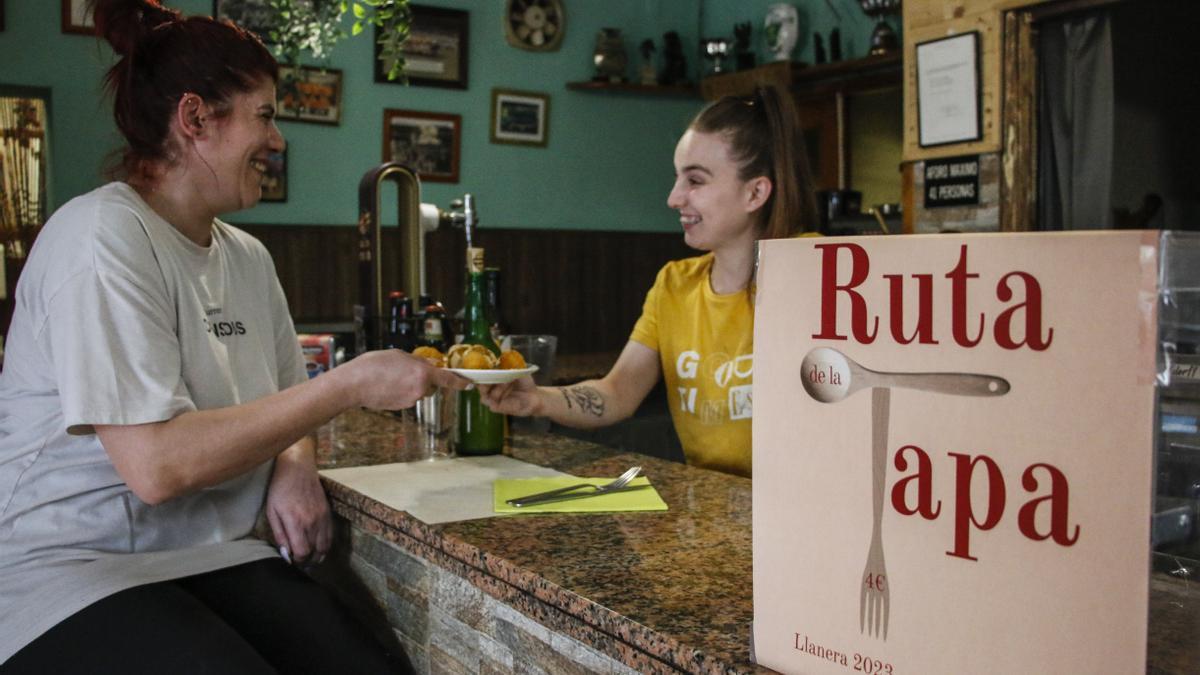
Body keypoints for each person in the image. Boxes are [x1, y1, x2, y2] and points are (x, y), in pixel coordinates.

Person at [0, 1, 467, 671]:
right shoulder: (100, 238)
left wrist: (296, 465)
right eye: (266, 115)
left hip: (214, 551)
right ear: (195, 119)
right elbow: (158, 466)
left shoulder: (246, 255)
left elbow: (285, 398)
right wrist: (351, 382)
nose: (278, 140)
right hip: (68, 567)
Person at [481, 86, 818, 478]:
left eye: (695, 180)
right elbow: (617, 393)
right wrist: (537, 399)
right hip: (710, 511)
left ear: (755, 192)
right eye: (677, 178)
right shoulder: (674, 284)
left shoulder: (818, 270)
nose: (674, 198)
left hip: (801, 515)